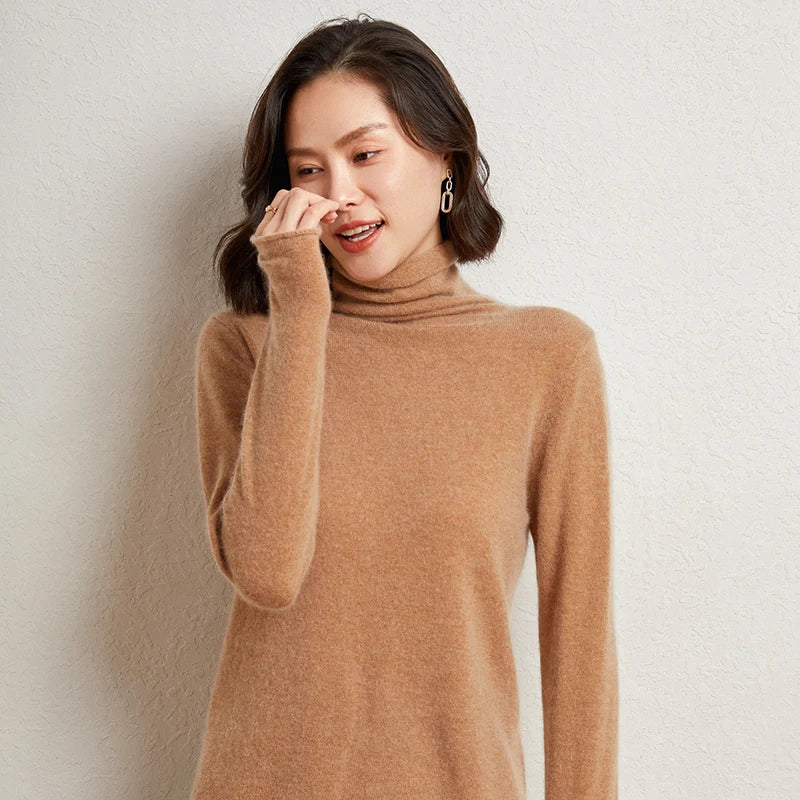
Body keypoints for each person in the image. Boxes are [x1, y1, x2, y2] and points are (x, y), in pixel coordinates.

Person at [191, 14, 618, 800]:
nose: (339, 196)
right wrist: (299, 310)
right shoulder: (244, 346)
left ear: (444, 158)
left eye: (365, 155)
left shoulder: (548, 358)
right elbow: (268, 572)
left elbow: (579, 640)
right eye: (308, 170)